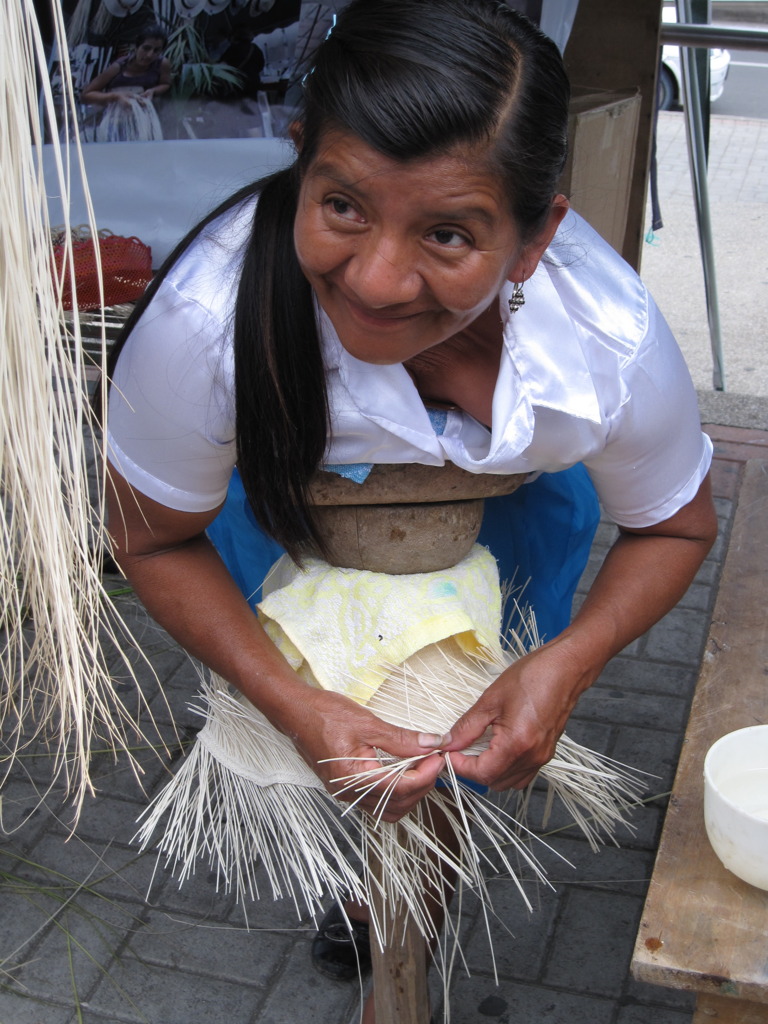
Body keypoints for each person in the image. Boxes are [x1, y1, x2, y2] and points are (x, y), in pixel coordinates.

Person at [104, 0, 717, 1018]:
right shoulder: (210, 324)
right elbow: (147, 534)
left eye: (447, 233)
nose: (379, 280)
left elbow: (676, 520)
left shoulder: (604, 340)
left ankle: (416, 893)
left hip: (512, 522)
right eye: (342, 206)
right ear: (303, 160)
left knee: (467, 739)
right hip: (289, 516)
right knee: (334, 726)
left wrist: (569, 662)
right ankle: (374, 884)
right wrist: (289, 703)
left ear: (535, 237)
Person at [81, 24, 171, 141]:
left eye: (156, 50)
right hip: (114, 122)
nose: (150, 55)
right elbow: (86, 95)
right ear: (136, 47)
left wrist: (152, 91)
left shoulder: (162, 64)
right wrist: (116, 96)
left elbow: (166, 84)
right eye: (146, 48)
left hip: (144, 123)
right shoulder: (118, 67)